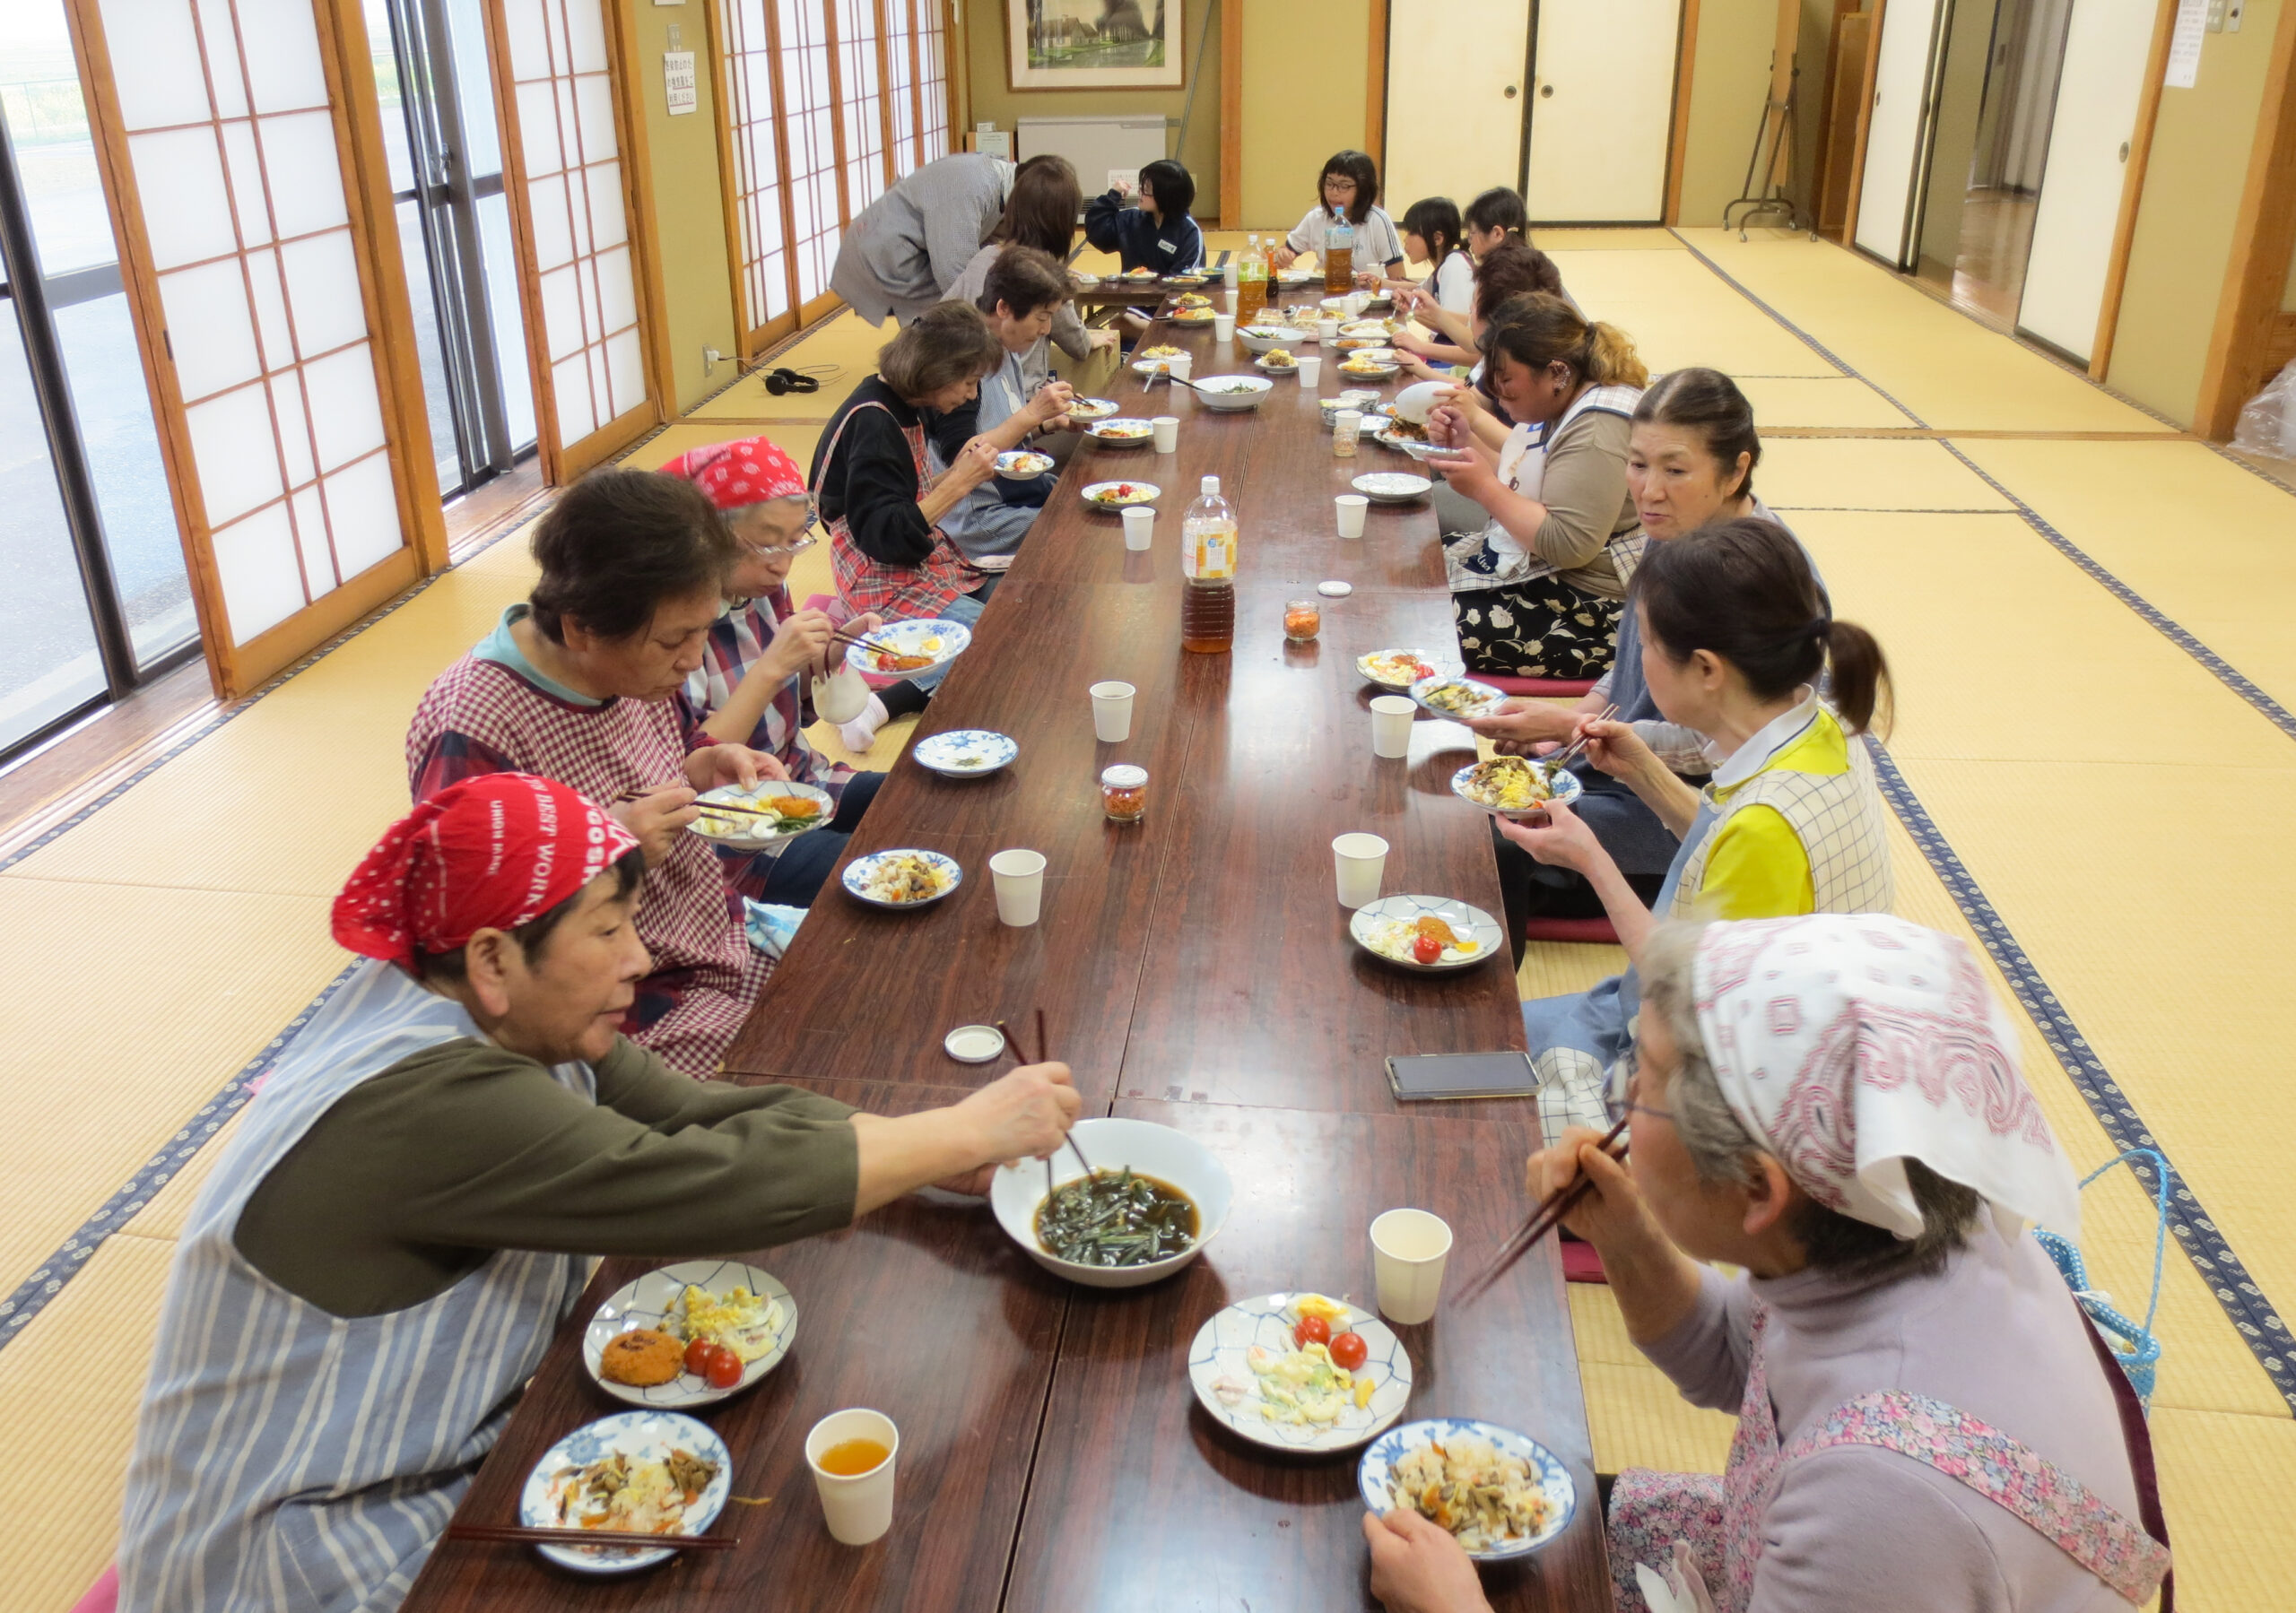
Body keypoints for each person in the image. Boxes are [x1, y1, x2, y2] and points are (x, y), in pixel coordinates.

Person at [118, 774, 1083, 1613]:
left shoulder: (469, 997)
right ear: (496, 956)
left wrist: (925, 1147)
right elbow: (702, 1185)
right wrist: (964, 1131)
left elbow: (698, 1116)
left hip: (442, 1453)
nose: (640, 959)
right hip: (307, 1542)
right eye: (611, 929)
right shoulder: (430, 1098)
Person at [1364, 913, 2169, 1613]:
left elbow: (1872, 1512)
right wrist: (1625, 1233)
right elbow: (1732, 1360)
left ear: (1757, 1186)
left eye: (1641, 1078)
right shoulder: (1895, 1218)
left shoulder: (1883, 1497)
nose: (1618, 1094)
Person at [1504, 516, 1894, 1140]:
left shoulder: (1770, 826)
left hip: (1727, 1103)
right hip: (1713, 1028)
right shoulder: (1814, 727)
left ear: (1708, 669)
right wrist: (1642, 769)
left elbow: (1684, 996)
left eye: (1649, 644)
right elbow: (1719, 843)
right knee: (1471, 1043)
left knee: (1465, 1115)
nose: (1639, 661)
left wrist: (1590, 859)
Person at [406, 469, 788, 1075]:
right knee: (804, 1084)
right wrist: (606, 847)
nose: (692, 658)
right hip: (621, 1005)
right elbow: (471, 935)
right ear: (581, 626)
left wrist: (708, 762)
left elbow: (672, 749)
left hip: (712, 929)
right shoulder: (475, 722)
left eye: (702, 631)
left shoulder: (635, 660)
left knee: (864, 997)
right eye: (674, 642)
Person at [1469, 369, 1792, 938]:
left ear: (1737, 469)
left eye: (1675, 469)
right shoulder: (1672, 534)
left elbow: (1723, 749)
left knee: (1486, 841)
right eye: (1638, 465)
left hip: (1678, 811)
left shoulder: (1761, 576)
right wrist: (1574, 722)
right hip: (1609, 763)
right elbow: (1623, 671)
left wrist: (1579, 728)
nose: (1649, 489)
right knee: (1470, 794)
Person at [658, 434, 887, 907]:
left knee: (919, 797)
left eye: (793, 540)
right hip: (737, 838)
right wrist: (771, 667)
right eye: (766, 543)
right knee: (884, 875)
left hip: (805, 782)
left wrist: (826, 661)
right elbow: (688, 769)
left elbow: (792, 712)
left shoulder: (761, 588)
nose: (782, 563)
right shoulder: (670, 629)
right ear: (707, 536)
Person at [812, 301, 1013, 750]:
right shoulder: (873, 421)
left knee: (1018, 607)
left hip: (921, 555)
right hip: (877, 572)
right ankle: (878, 705)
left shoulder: (903, 402)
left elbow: (909, 495)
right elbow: (884, 537)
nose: (969, 394)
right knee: (990, 642)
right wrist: (959, 483)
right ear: (935, 372)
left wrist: (957, 474)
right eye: (966, 382)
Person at [1426, 293, 1648, 679]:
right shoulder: (1569, 397)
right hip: (1548, 573)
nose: (1495, 392)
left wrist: (1483, 489)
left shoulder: (1597, 427)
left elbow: (1568, 543)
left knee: (1429, 628)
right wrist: (1465, 446)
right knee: (1416, 568)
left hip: (1591, 606)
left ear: (1556, 372)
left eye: (1506, 378)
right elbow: (1530, 483)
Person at [926, 247, 1079, 568]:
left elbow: (1002, 429)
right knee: (1075, 527)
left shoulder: (1006, 349)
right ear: (1004, 308)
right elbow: (962, 456)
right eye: (1042, 317)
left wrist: (1046, 424)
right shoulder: (963, 361)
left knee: (1085, 499)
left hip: (1012, 493)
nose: (1047, 329)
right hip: (977, 516)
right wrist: (1032, 413)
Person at [944, 153, 1119, 392]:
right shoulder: (1044, 273)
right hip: (1021, 397)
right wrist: (1089, 338)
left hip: (973, 388)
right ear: (1063, 221)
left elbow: (943, 315)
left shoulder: (983, 256)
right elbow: (1076, 345)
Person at [830, 150, 1022, 327]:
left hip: (914, 248)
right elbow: (956, 275)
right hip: (881, 251)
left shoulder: (1002, 181)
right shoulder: (971, 189)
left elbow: (990, 252)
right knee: (945, 324)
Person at [1394, 236, 1566, 385]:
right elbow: (1475, 346)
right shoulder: (1520, 343)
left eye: (1473, 233)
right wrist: (1430, 311)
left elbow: (1471, 390)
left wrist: (1421, 365)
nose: (1470, 241)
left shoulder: (1512, 368)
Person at [1271, 149, 1406, 278]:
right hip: (1327, 293)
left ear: (1363, 189)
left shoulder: (1378, 221)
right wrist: (1283, 256)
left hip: (1367, 297)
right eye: (1329, 184)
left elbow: (1399, 279)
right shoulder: (1316, 217)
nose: (1334, 192)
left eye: (1344, 186)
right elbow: (1285, 252)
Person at [1084, 157, 1205, 276]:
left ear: (1165, 195)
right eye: (1141, 186)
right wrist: (1111, 197)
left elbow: (1185, 278)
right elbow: (1097, 235)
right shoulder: (1131, 219)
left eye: (1146, 189)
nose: (1139, 192)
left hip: (1171, 295)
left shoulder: (1189, 232)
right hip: (1131, 292)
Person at [1377, 196, 1472, 314]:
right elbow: (1418, 289)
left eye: (1411, 233)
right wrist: (1379, 283)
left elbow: (1456, 325)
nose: (1405, 239)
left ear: (1437, 239)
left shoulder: (1454, 267)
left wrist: (1414, 311)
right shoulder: (1447, 264)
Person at [1464, 185, 1529, 259]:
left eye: (1472, 233)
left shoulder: (1496, 269)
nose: (1469, 241)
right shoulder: (1537, 264)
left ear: (1497, 234)